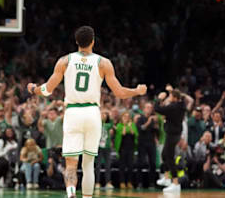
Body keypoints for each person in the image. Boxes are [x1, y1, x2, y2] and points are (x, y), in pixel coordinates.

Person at [27, 25, 147, 198]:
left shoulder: (64, 61)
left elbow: (47, 90)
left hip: (73, 113)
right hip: (92, 113)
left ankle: (70, 193)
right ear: (93, 41)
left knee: (71, 163)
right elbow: (119, 92)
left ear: (76, 42)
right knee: (89, 163)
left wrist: (33, 89)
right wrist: (137, 91)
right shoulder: (103, 63)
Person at [155, 89, 186, 192]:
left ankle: (175, 183)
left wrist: (159, 98)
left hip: (172, 134)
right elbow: (181, 98)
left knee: (169, 157)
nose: (168, 98)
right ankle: (167, 178)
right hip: (174, 134)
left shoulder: (173, 107)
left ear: (175, 98)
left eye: (170, 96)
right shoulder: (181, 104)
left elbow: (157, 109)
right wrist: (172, 90)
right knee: (164, 155)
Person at [135, 102, 158, 188]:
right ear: (144, 109)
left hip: (151, 143)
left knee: (152, 163)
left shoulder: (153, 119)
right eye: (147, 107)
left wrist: (156, 124)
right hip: (142, 143)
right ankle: (139, 182)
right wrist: (149, 121)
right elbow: (141, 128)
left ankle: (152, 182)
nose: (149, 109)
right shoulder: (140, 118)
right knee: (140, 163)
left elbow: (156, 131)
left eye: (150, 107)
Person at [115, 111, 138, 189]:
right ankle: (122, 182)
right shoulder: (119, 125)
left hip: (130, 148)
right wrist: (125, 125)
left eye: (127, 117)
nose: (126, 118)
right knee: (122, 166)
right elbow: (122, 133)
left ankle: (129, 182)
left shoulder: (132, 125)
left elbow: (134, 133)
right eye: (124, 116)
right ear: (122, 117)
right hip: (122, 148)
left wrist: (130, 126)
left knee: (130, 165)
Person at [95, 110, 114, 189]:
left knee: (108, 165)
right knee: (98, 165)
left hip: (107, 147)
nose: (103, 115)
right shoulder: (97, 124)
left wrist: (110, 114)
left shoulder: (108, 125)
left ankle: (108, 182)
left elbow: (112, 123)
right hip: (98, 147)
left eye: (105, 114)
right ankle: (97, 182)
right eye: (102, 114)